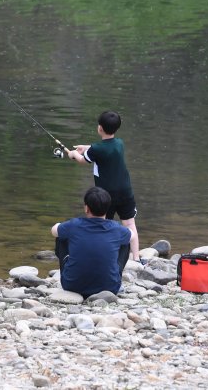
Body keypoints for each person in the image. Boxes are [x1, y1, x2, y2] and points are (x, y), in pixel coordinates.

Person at [64, 110, 141, 262]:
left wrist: (73, 154)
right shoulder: (119, 143)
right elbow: (103, 148)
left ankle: (106, 256)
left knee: (105, 225)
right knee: (130, 224)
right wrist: (87, 148)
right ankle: (137, 259)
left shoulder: (96, 149)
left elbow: (82, 160)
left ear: (99, 128)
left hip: (106, 195)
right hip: (125, 191)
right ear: (117, 128)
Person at [51, 186, 134, 298]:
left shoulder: (74, 225)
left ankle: (73, 270)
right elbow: (132, 235)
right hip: (110, 287)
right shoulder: (116, 228)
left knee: (61, 237)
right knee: (125, 241)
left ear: (86, 208)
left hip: (72, 285)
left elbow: (54, 230)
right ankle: (113, 276)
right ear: (107, 208)